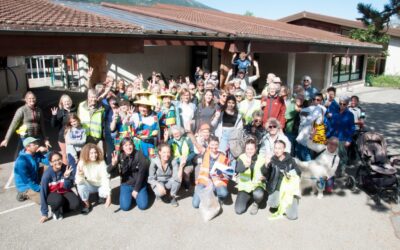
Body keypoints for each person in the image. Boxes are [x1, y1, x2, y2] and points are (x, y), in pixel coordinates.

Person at [262, 140, 301, 220]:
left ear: (284, 149)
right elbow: (265, 173)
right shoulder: (272, 160)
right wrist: (266, 164)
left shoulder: (291, 160)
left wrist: (291, 174)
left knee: (292, 216)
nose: (277, 150)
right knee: (272, 204)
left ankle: (292, 201)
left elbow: (298, 172)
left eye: (279, 148)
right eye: (275, 148)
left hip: (289, 190)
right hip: (276, 188)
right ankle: (280, 203)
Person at [108, 138, 150, 211]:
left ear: (133, 145)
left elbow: (142, 174)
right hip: (126, 184)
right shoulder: (120, 156)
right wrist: (113, 164)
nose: (128, 147)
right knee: (125, 207)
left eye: (130, 145)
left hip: (139, 184)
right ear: (122, 147)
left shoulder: (139, 154)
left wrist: (136, 189)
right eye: (126, 145)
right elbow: (108, 171)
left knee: (143, 206)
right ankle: (131, 196)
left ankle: (139, 193)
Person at [39, 151, 80, 223]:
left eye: (59, 159)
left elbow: (68, 187)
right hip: (52, 194)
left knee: (75, 205)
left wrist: (66, 177)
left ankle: (61, 208)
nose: (57, 162)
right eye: (54, 160)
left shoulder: (66, 168)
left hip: (64, 190)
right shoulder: (47, 175)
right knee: (58, 200)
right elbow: (43, 193)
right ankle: (55, 211)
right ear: (51, 163)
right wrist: (44, 213)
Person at [192, 136, 230, 208]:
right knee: (195, 204)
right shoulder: (205, 152)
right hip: (204, 180)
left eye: (216, 144)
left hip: (217, 180)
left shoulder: (223, 156)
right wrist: (190, 133)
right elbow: (196, 143)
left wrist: (222, 174)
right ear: (208, 144)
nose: (214, 147)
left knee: (224, 193)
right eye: (212, 144)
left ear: (218, 144)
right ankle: (207, 195)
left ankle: (219, 198)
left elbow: (227, 173)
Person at [75, 143, 111, 213]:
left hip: (100, 184)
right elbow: (78, 181)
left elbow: (105, 178)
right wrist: (80, 174)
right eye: (91, 153)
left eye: (95, 152)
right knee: (80, 184)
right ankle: (87, 205)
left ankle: (101, 195)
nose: (94, 155)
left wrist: (109, 196)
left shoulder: (101, 161)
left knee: (104, 194)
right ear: (86, 154)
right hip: (90, 185)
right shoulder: (81, 163)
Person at [235, 139, 266, 215]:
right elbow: (238, 169)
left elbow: (266, 172)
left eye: (252, 149)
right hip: (245, 187)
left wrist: (265, 177)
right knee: (239, 210)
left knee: (258, 194)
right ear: (245, 149)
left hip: (257, 186)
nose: (249, 151)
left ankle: (256, 203)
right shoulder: (242, 157)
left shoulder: (261, 158)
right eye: (247, 149)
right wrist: (246, 166)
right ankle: (248, 197)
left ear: (255, 149)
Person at [326, 96, 355, 176]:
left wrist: (349, 140)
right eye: (340, 103)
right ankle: (330, 171)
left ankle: (342, 171)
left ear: (347, 104)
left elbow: (352, 128)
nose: (342, 105)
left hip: (343, 139)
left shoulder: (350, 115)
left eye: (344, 104)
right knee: (330, 155)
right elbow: (330, 126)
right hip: (333, 138)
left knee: (342, 156)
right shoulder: (335, 113)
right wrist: (327, 137)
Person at [14, 137, 49, 203]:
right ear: (27, 147)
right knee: (44, 200)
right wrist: (40, 188)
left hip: (34, 177)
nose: (37, 145)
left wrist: (44, 152)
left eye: (37, 143)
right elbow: (27, 180)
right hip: (26, 186)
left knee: (49, 168)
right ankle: (23, 194)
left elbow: (49, 162)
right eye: (34, 144)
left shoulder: (36, 154)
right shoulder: (21, 161)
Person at [296, 93, 326, 161]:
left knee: (306, 153)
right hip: (302, 132)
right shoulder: (305, 109)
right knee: (300, 152)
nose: (315, 101)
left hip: (311, 134)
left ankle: (309, 167)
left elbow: (318, 123)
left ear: (321, 101)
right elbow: (302, 119)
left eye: (318, 100)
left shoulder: (322, 109)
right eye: (314, 99)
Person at [165, 125, 195, 190]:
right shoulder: (170, 142)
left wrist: (186, 159)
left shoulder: (187, 140)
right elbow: (165, 151)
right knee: (176, 175)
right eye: (174, 134)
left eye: (177, 133)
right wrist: (166, 139)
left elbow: (193, 152)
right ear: (172, 135)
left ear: (181, 132)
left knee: (186, 174)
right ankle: (176, 189)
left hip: (188, 163)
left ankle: (187, 186)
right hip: (177, 163)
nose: (176, 135)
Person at [50, 94, 76, 164]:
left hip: (75, 136)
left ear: (70, 101)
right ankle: (66, 171)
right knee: (65, 154)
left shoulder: (75, 110)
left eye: (68, 101)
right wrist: (54, 116)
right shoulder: (60, 112)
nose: (67, 103)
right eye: (65, 102)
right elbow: (53, 125)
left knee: (75, 153)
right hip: (63, 137)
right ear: (62, 103)